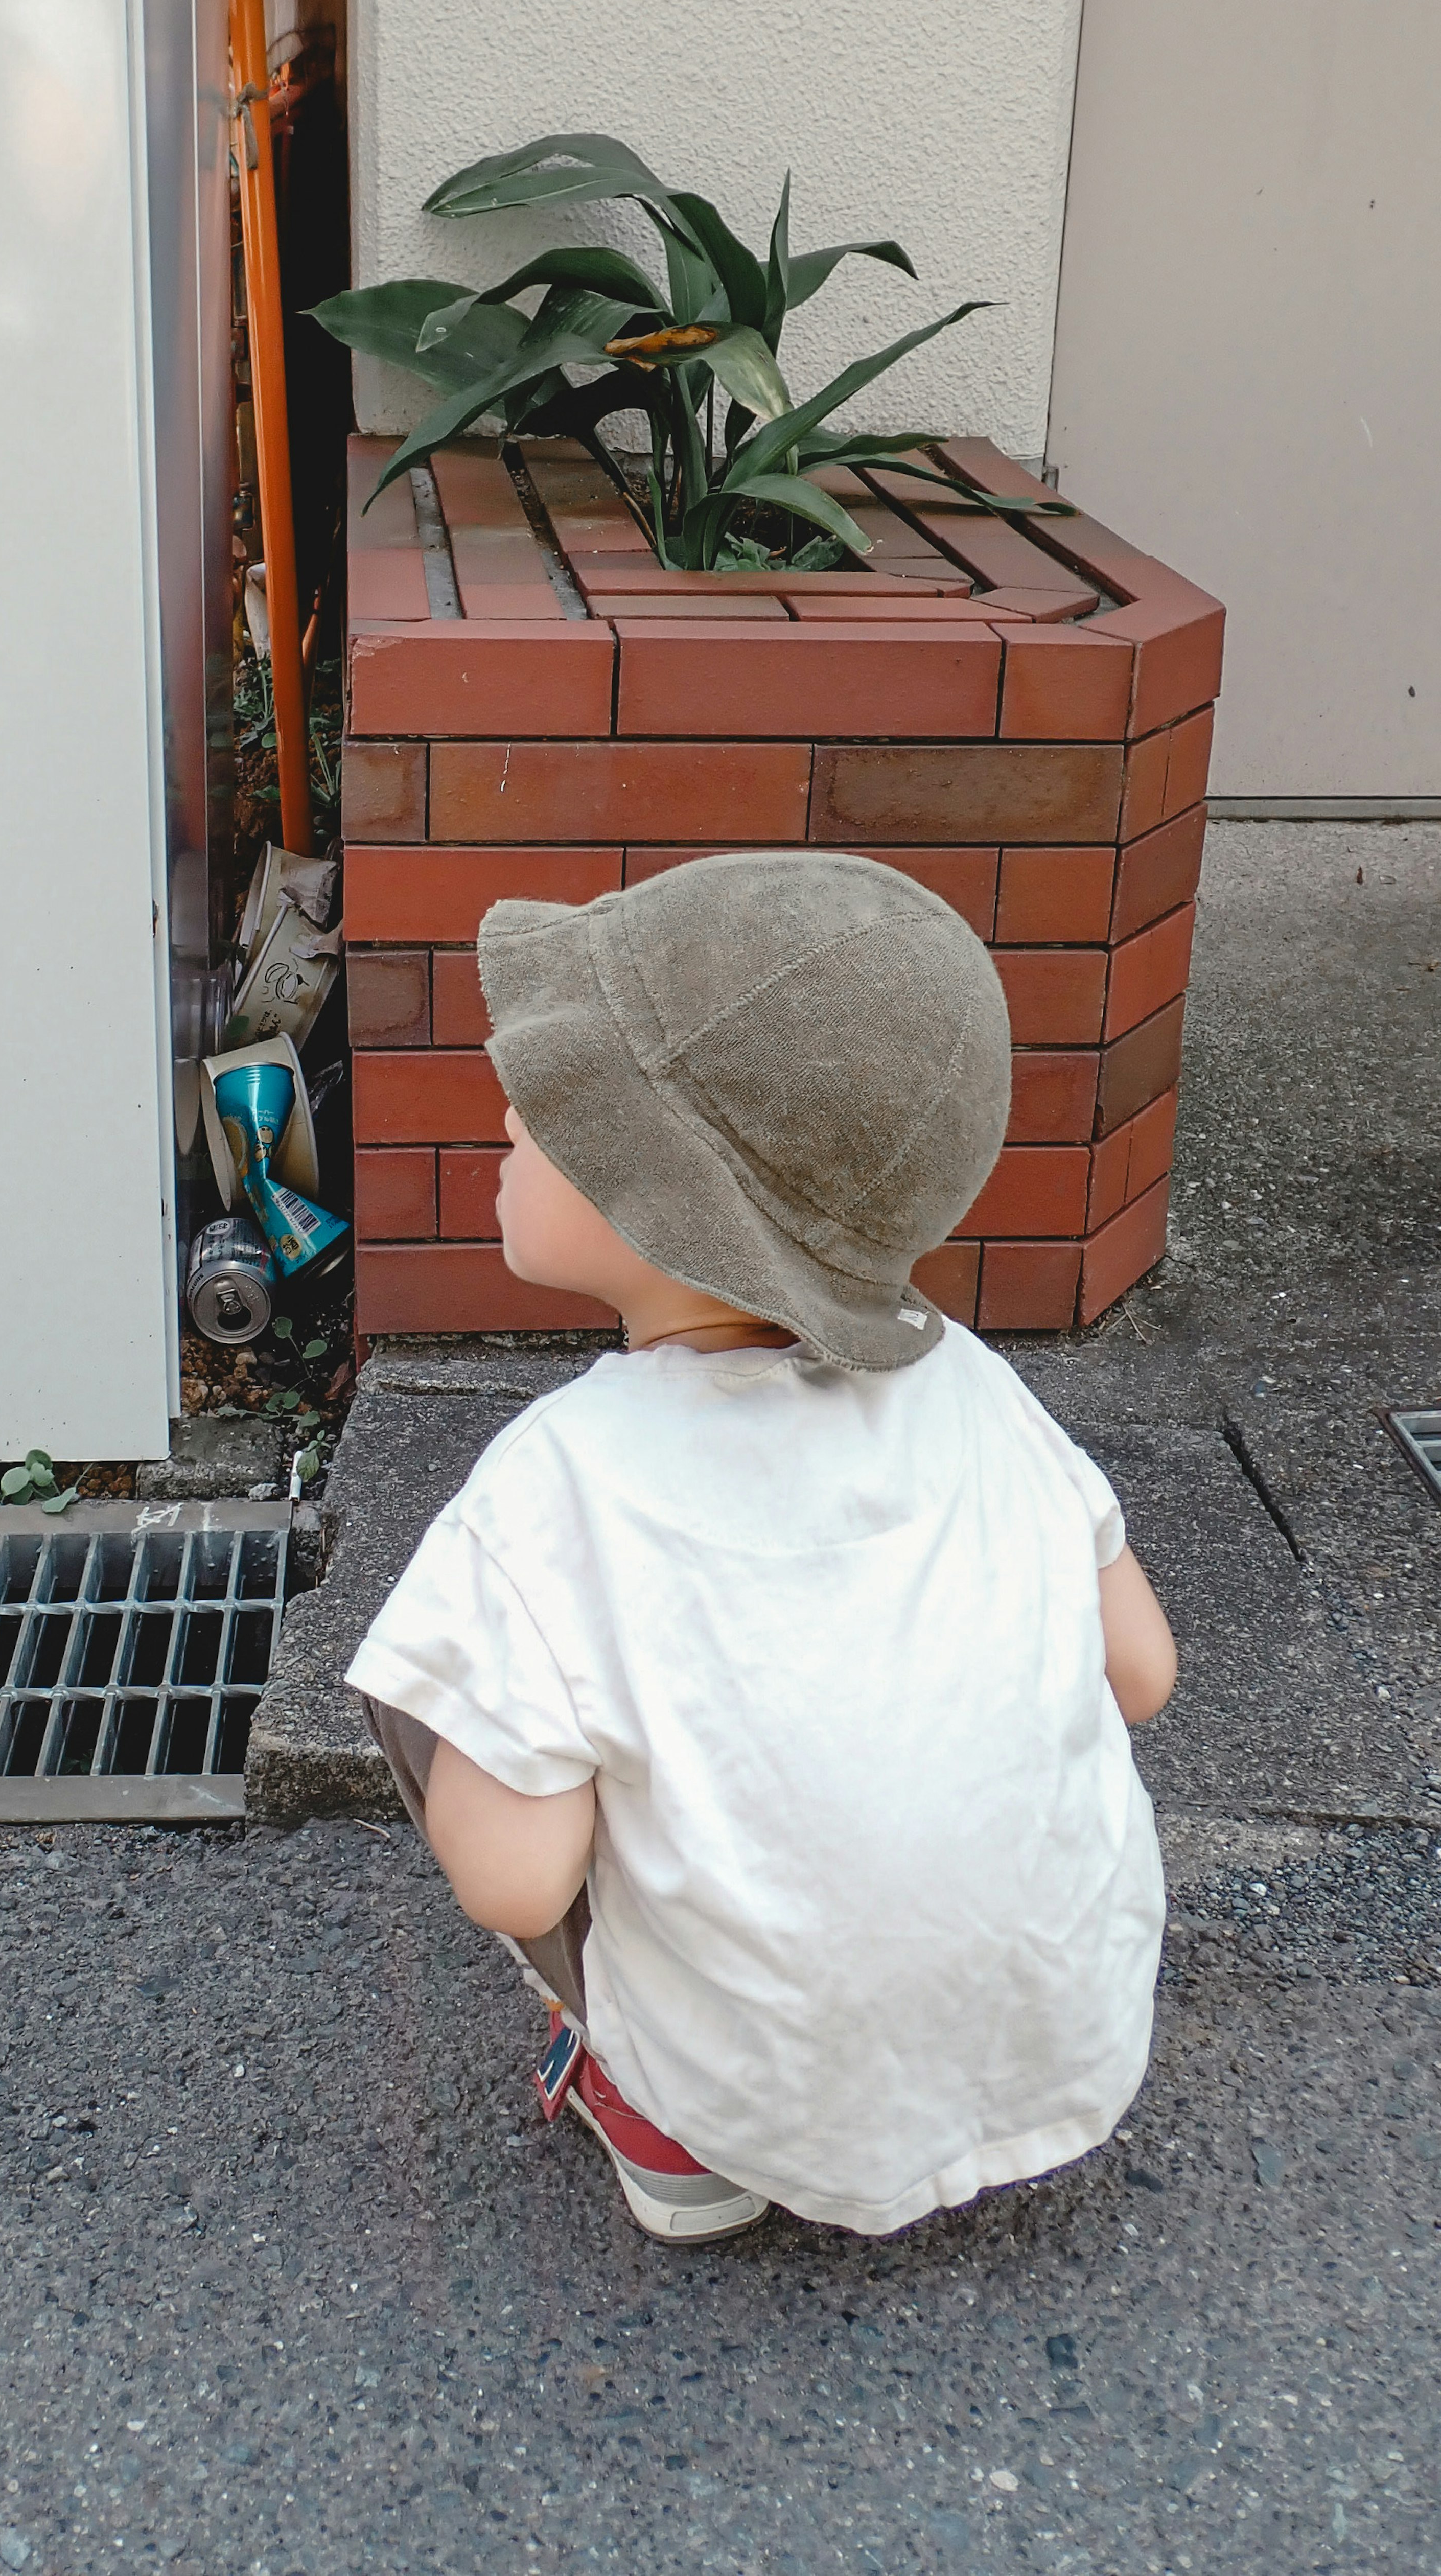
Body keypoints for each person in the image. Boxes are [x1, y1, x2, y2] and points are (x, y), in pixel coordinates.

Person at [345, 851, 1178, 2243]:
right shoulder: (975, 1381)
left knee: (446, 1694)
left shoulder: (559, 1482)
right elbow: (1140, 1670)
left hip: (768, 2087)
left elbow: (511, 1880)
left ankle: (681, 2136)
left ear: (665, 1206)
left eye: (560, 1105)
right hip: (1068, 2040)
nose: (506, 1111)